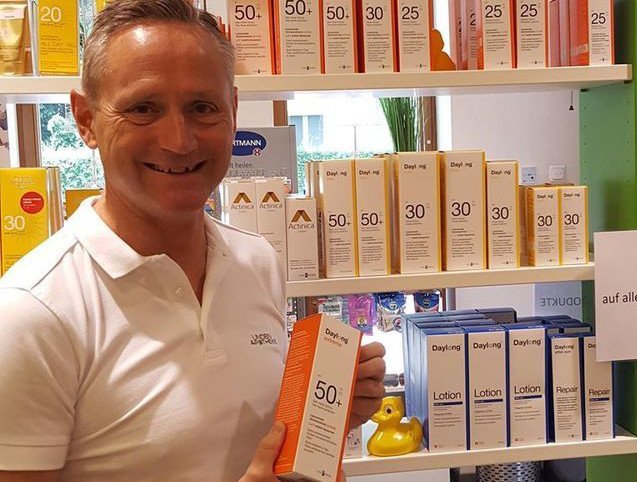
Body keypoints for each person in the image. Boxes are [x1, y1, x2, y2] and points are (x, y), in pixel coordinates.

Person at [0, 1, 386, 480]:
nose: (179, 141)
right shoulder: (32, 312)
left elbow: (238, 439)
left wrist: (321, 417)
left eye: (202, 108)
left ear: (233, 111)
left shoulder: (257, 261)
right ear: (85, 119)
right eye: (143, 109)